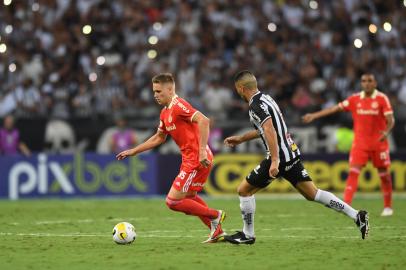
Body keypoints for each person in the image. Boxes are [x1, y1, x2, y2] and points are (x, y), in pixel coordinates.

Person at [223, 70, 369, 245]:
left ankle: (248, 234)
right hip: (290, 153)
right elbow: (267, 128)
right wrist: (241, 138)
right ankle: (356, 215)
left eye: (237, 89)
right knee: (313, 193)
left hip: (280, 157)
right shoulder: (267, 99)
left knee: (243, 190)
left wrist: (275, 160)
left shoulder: (255, 105)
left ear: (240, 88)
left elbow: (269, 129)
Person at [116, 73, 226, 243]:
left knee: (172, 201)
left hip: (196, 159)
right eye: (154, 91)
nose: (155, 95)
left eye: (159, 91)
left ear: (170, 89)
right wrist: (135, 151)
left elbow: (204, 121)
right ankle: (217, 231)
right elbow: (159, 138)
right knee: (189, 197)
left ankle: (215, 215)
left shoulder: (179, 105)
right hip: (193, 159)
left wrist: (202, 151)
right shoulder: (165, 113)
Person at [302, 73, 395, 217]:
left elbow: (391, 120)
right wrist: (314, 115)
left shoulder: (382, 99)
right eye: (364, 81)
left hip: (379, 143)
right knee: (353, 172)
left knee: (384, 175)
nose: (366, 83)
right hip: (360, 144)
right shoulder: (355, 99)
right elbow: (334, 109)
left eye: (370, 81)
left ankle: (388, 207)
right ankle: (345, 205)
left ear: (375, 83)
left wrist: (386, 132)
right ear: (361, 83)